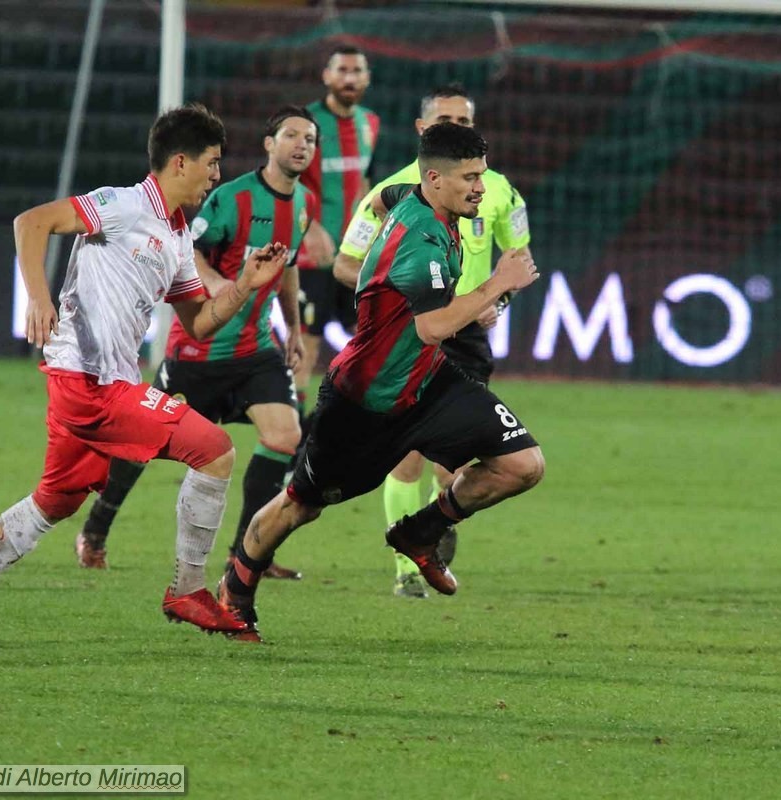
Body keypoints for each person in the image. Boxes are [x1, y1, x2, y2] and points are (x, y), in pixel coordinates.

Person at [0, 104, 291, 646]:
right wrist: (37, 296)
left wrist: (245, 284)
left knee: (58, 498)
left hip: (99, 381)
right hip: (88, 381)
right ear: (179, 162)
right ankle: (187, 589)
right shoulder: (121, 204)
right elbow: (32, 222)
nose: (217, 175)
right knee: (214, 448)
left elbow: (199, 322)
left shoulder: (175, 237)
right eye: (212, 163)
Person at [217, 122, 543, 642]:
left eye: (482, 175)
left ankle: (420, 532)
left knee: (522, 465)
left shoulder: (416, 197)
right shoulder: (423, 244)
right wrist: (499, 284)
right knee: (301, 505)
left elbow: (388, 196)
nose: (481, 188)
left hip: (427, 383)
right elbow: (434, 326)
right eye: (470, 178)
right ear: (434, 179)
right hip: (364, 401)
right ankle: (236, 586)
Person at [74, 105, 324, 581]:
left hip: (256, 350)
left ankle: (245, 554)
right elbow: (192, 253)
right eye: (291, 135)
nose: (301, 145)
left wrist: (292, 327)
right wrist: (223, 290)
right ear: (269, 144)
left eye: (309, 140)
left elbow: (286, 266)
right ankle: (96, 530)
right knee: (141, 444)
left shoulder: (306, 204)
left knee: (286, 437)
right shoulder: (231, 198)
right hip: (199, 352)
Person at [334, 83, 533, 599]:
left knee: (455, 471)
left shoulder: (498, 189)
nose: (459, 128)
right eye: (447, 120)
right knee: (407, 458)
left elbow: (520, 260)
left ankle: (427, 531)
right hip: (409, 333)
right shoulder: (392, 192)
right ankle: (405, 567)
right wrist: (394, 294)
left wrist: (498, 303)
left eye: (465, 121)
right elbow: (345, 262)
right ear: (423, 130)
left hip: (465, 337)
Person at [295, 44, 380, 420]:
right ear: (326, 76)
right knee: (305, 346)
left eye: (357, 71)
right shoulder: (305, 125)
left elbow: (364, 180)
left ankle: (356, 421)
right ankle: (293, 438)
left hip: (354, 255)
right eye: (342, 70)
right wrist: (310, 227)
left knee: (369, 339)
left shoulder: (370, 123)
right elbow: (286, 181)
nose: (350, 78)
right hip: (312, 255)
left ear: (367, 78)